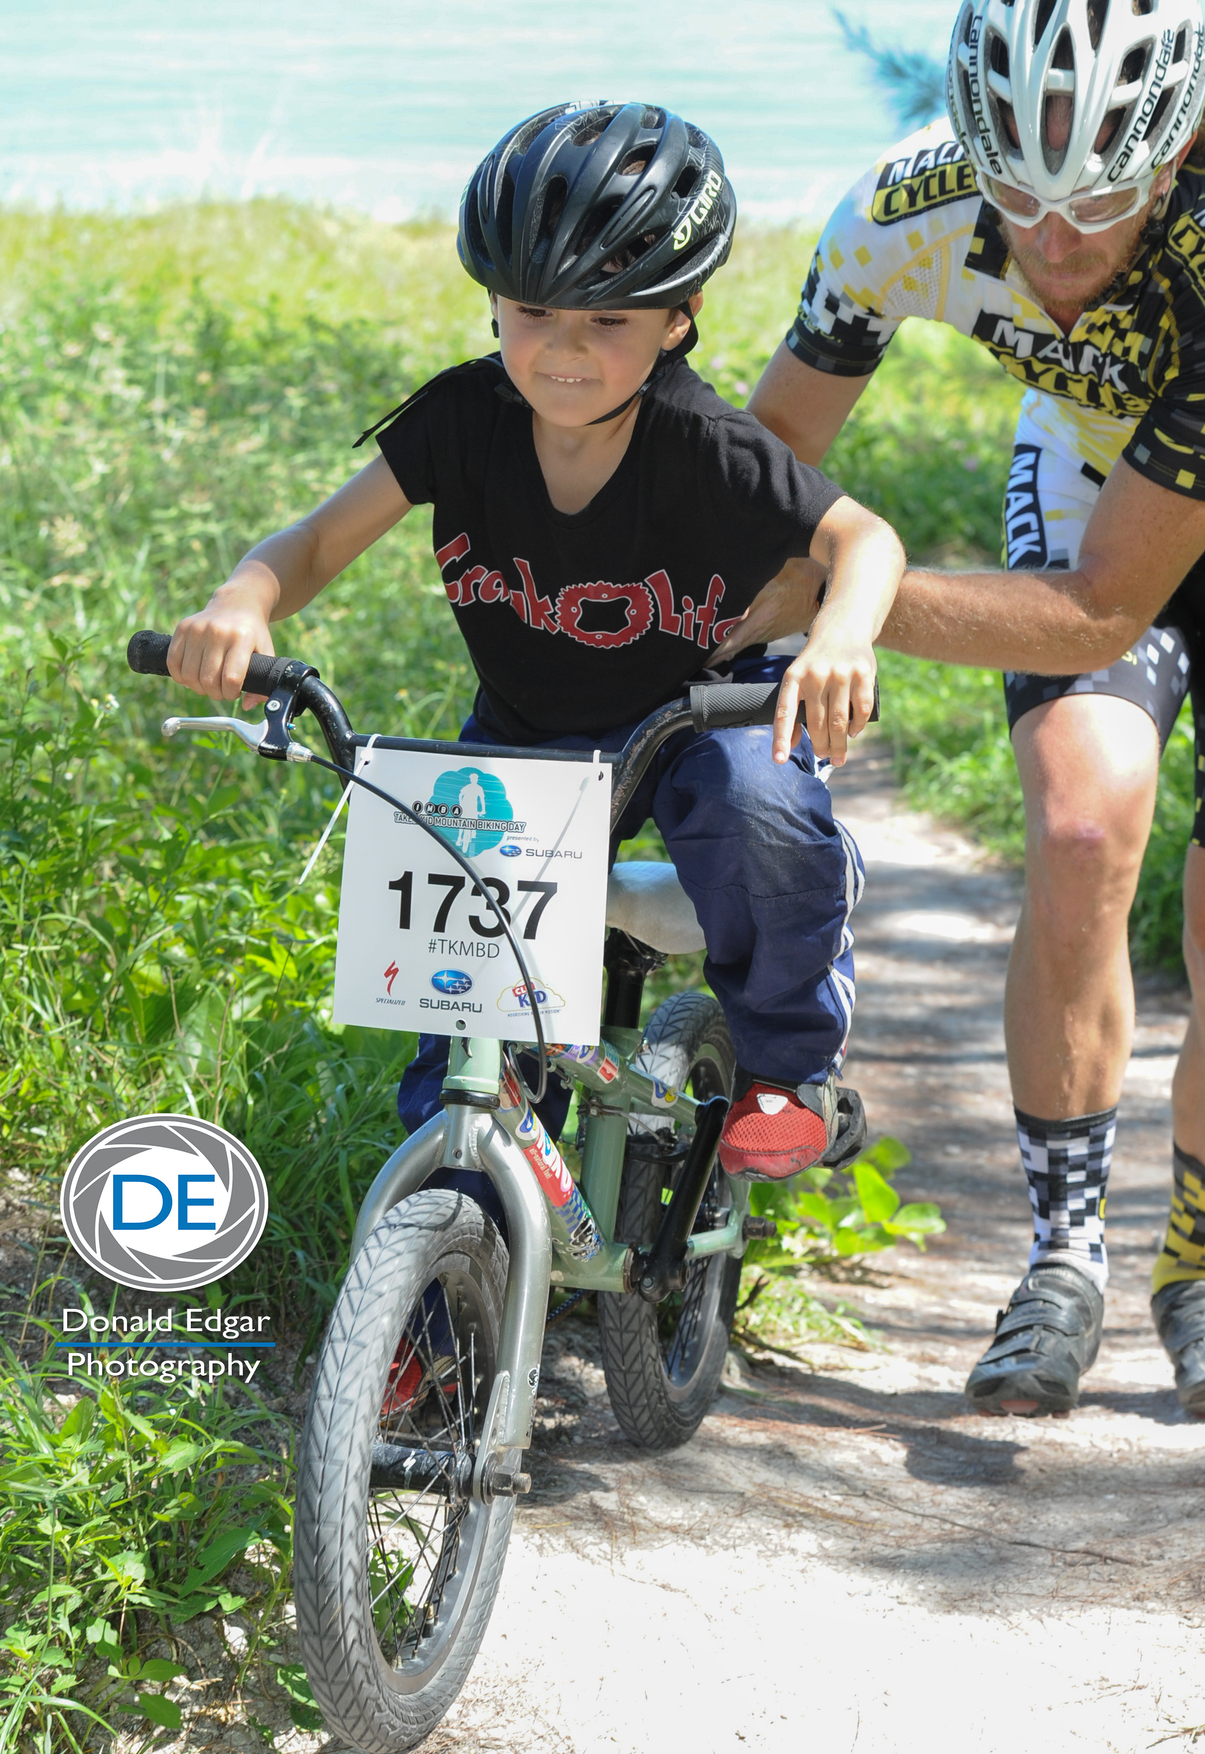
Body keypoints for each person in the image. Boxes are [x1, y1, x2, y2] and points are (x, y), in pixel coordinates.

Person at [735, 0, 1205, 1422]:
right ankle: (1062, 1262)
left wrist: (850, 597)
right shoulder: (900, 211)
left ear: (1170, 161)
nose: (1054, 243)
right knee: (1080, 824)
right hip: (1102, 475)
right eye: (1020, 194)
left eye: (1100, 199)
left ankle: (1199, 1276)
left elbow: (1103, 611)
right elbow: (771, 458)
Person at [165, 99, 904, 1184]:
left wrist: (841, 633)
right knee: (461, 1029)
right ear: (495, 302)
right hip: (529, 730)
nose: (562, 350)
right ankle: (463, 1212)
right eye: (532, 311)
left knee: (760, 801)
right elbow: (316, 540)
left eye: (608, 321)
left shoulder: (705, 442)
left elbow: (864, 539)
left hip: (695, 716)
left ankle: (792, 1069)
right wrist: (244, 598)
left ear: (679, 319)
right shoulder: (463, 420)